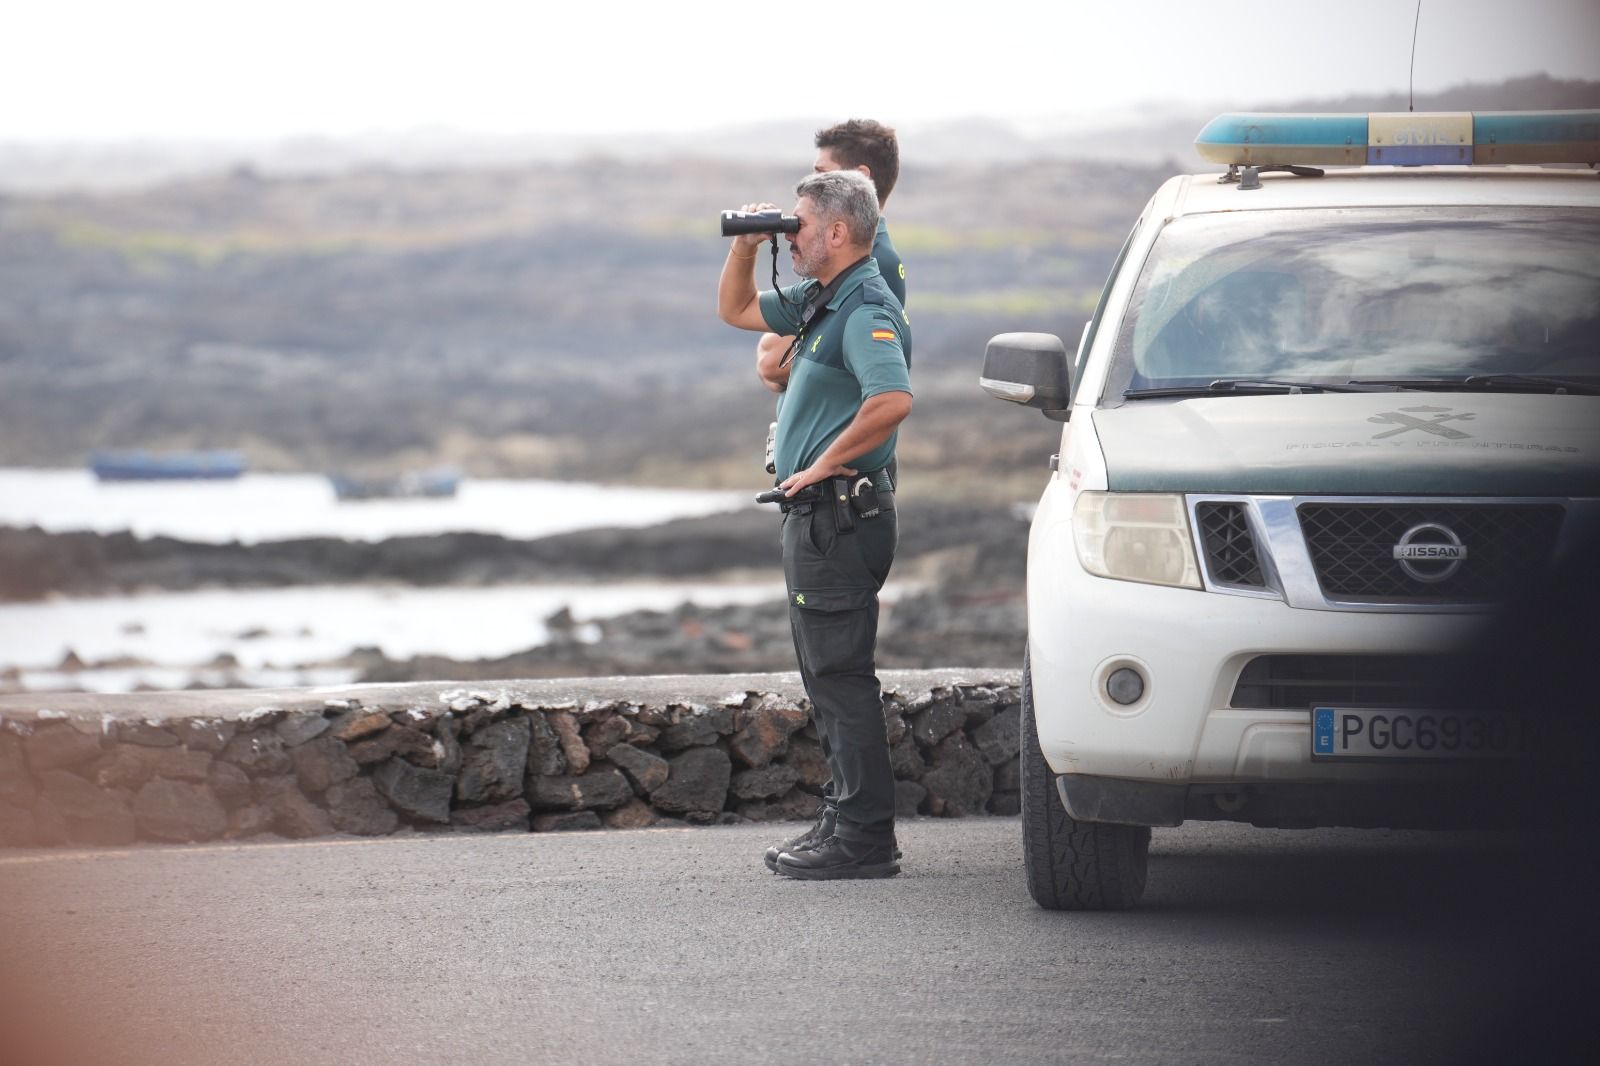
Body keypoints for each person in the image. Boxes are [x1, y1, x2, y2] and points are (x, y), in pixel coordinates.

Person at [717, 169, 912, 880]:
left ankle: (863, 837)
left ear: (837, 231)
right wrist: (749, 242)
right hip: (820, 516)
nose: (792, 236)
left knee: (839, 676)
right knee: (826, 677)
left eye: (799, 224)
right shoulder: (822, 299)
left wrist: (820, 463)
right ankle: (846, 817)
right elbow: (736, 310)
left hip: (838, 515)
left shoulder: (863, 308)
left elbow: (891, 400)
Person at [755, 119, 906, 394]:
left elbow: (771, 361)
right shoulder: (864, 252)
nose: (814, 183)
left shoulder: (874, 260)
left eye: (822, 174)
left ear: (862, 177)